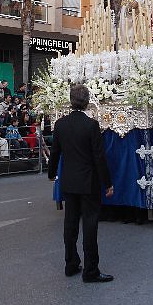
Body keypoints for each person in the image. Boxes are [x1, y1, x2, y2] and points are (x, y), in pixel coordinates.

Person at [48, 84, 114, 283]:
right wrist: (107, 182)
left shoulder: (60, 124)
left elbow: (55, 152)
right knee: (90, 225)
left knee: (70, 224)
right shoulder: (91, 125)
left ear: (71, 100)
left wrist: (52, 174)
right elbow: (99, 157)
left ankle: (71, 263)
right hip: (88, 182)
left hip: (68, 181)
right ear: (87, 102)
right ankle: (91, 270)